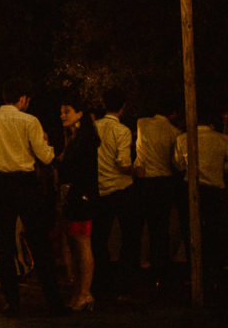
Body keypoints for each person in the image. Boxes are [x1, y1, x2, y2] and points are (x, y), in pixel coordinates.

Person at [0, 79, 65, 316]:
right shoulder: (30, 121)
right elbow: (45, 157)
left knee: (4, 240)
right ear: (22, 99)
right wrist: (47, 145)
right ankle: (52, 300)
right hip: (25, 183)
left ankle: (11, 300)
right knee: (38, 240)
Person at [173, 108, 228, 304]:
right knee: (214, 232)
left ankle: (194, 272)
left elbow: (178, 165)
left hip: (191, 189)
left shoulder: (182, 139)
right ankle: (212, 272)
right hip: (214, 190)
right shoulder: (222, 140)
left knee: (191, 232)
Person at [92, 89, 139, 297]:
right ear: (123, 107)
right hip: (121, 187)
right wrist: (136, 170)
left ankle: (101, 281)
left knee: (99, 237)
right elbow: (123, 162)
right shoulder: (122, 131)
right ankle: (125, 279)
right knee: (129, 235)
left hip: (100, 188)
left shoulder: (93, 127)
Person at [56, 96, 100, 311]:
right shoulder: (74, 137)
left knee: (82, 244)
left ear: (80, 113)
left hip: (81, 197)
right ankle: (80, 291)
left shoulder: (86, 139)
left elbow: (83, 171)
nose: (63, 115)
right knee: (74, 244)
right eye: (62, 111)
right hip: (72, 196)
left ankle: (85, 293)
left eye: (67, 110)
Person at [134, 101, 183, 289]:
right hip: (164, 180)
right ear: (173, 114)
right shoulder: (174, 132)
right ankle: (160, 266)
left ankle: (142, 263)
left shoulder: (142, 123)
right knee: (161, 227)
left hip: (144, 179)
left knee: (141, 223)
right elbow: (176, 162)